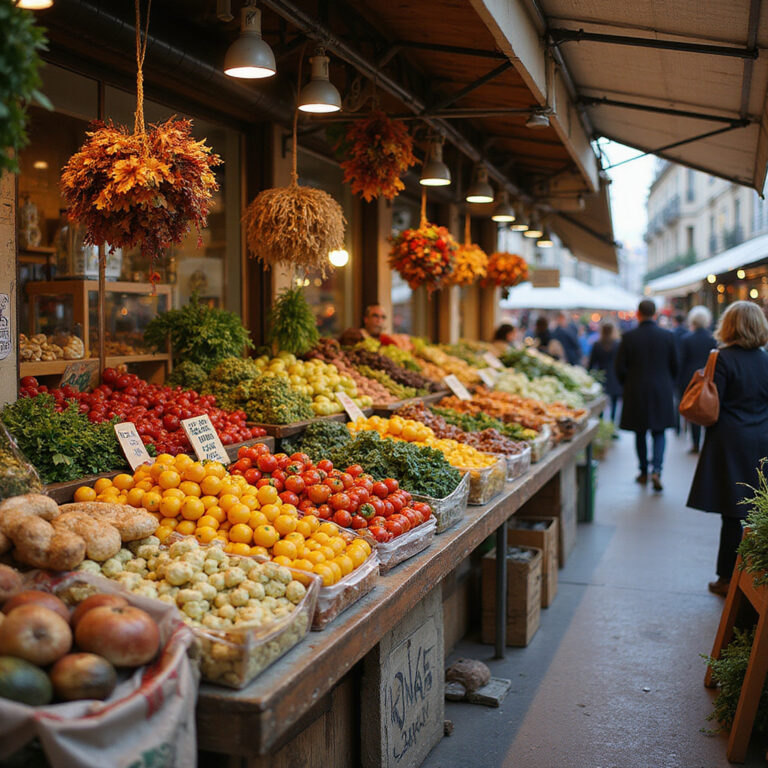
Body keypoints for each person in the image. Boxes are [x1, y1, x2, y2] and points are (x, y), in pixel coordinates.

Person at [687, 301, 768, 596]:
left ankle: (727, 577)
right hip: (762, 438)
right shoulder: (766, 359)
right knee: (757, 509)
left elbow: (712, 403)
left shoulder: (721, 358)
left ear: (729, 325)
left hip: (729, 441)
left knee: (733, 513)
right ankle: (755, 575)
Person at [615, 299, 678, 492]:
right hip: (661, 389)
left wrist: (628, 383)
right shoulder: (667, 336)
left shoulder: (629, 337)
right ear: (655, 313)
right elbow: (675, 365)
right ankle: (657, 470)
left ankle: (643, 471)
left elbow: (619, 367)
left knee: (640, 431)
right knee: (659, 432)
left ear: (638, 313)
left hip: (636, 389)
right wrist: (668, 382)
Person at [678, 306, 716, 453]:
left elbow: (681, 361)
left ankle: (695, 443)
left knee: (694, 409)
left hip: (691, 378)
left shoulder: (686, 339)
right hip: (709, 377)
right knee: (709, 408)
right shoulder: (712, 339)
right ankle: (707, 442)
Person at [588, 323, 621, 424]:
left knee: (601, 401)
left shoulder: (597, 344)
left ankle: (601, 421)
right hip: (615, 375)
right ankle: (612, 422)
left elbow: (592, 363)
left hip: (601, 375)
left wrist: (590, 375)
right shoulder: (617, 344)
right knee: (614, 402)